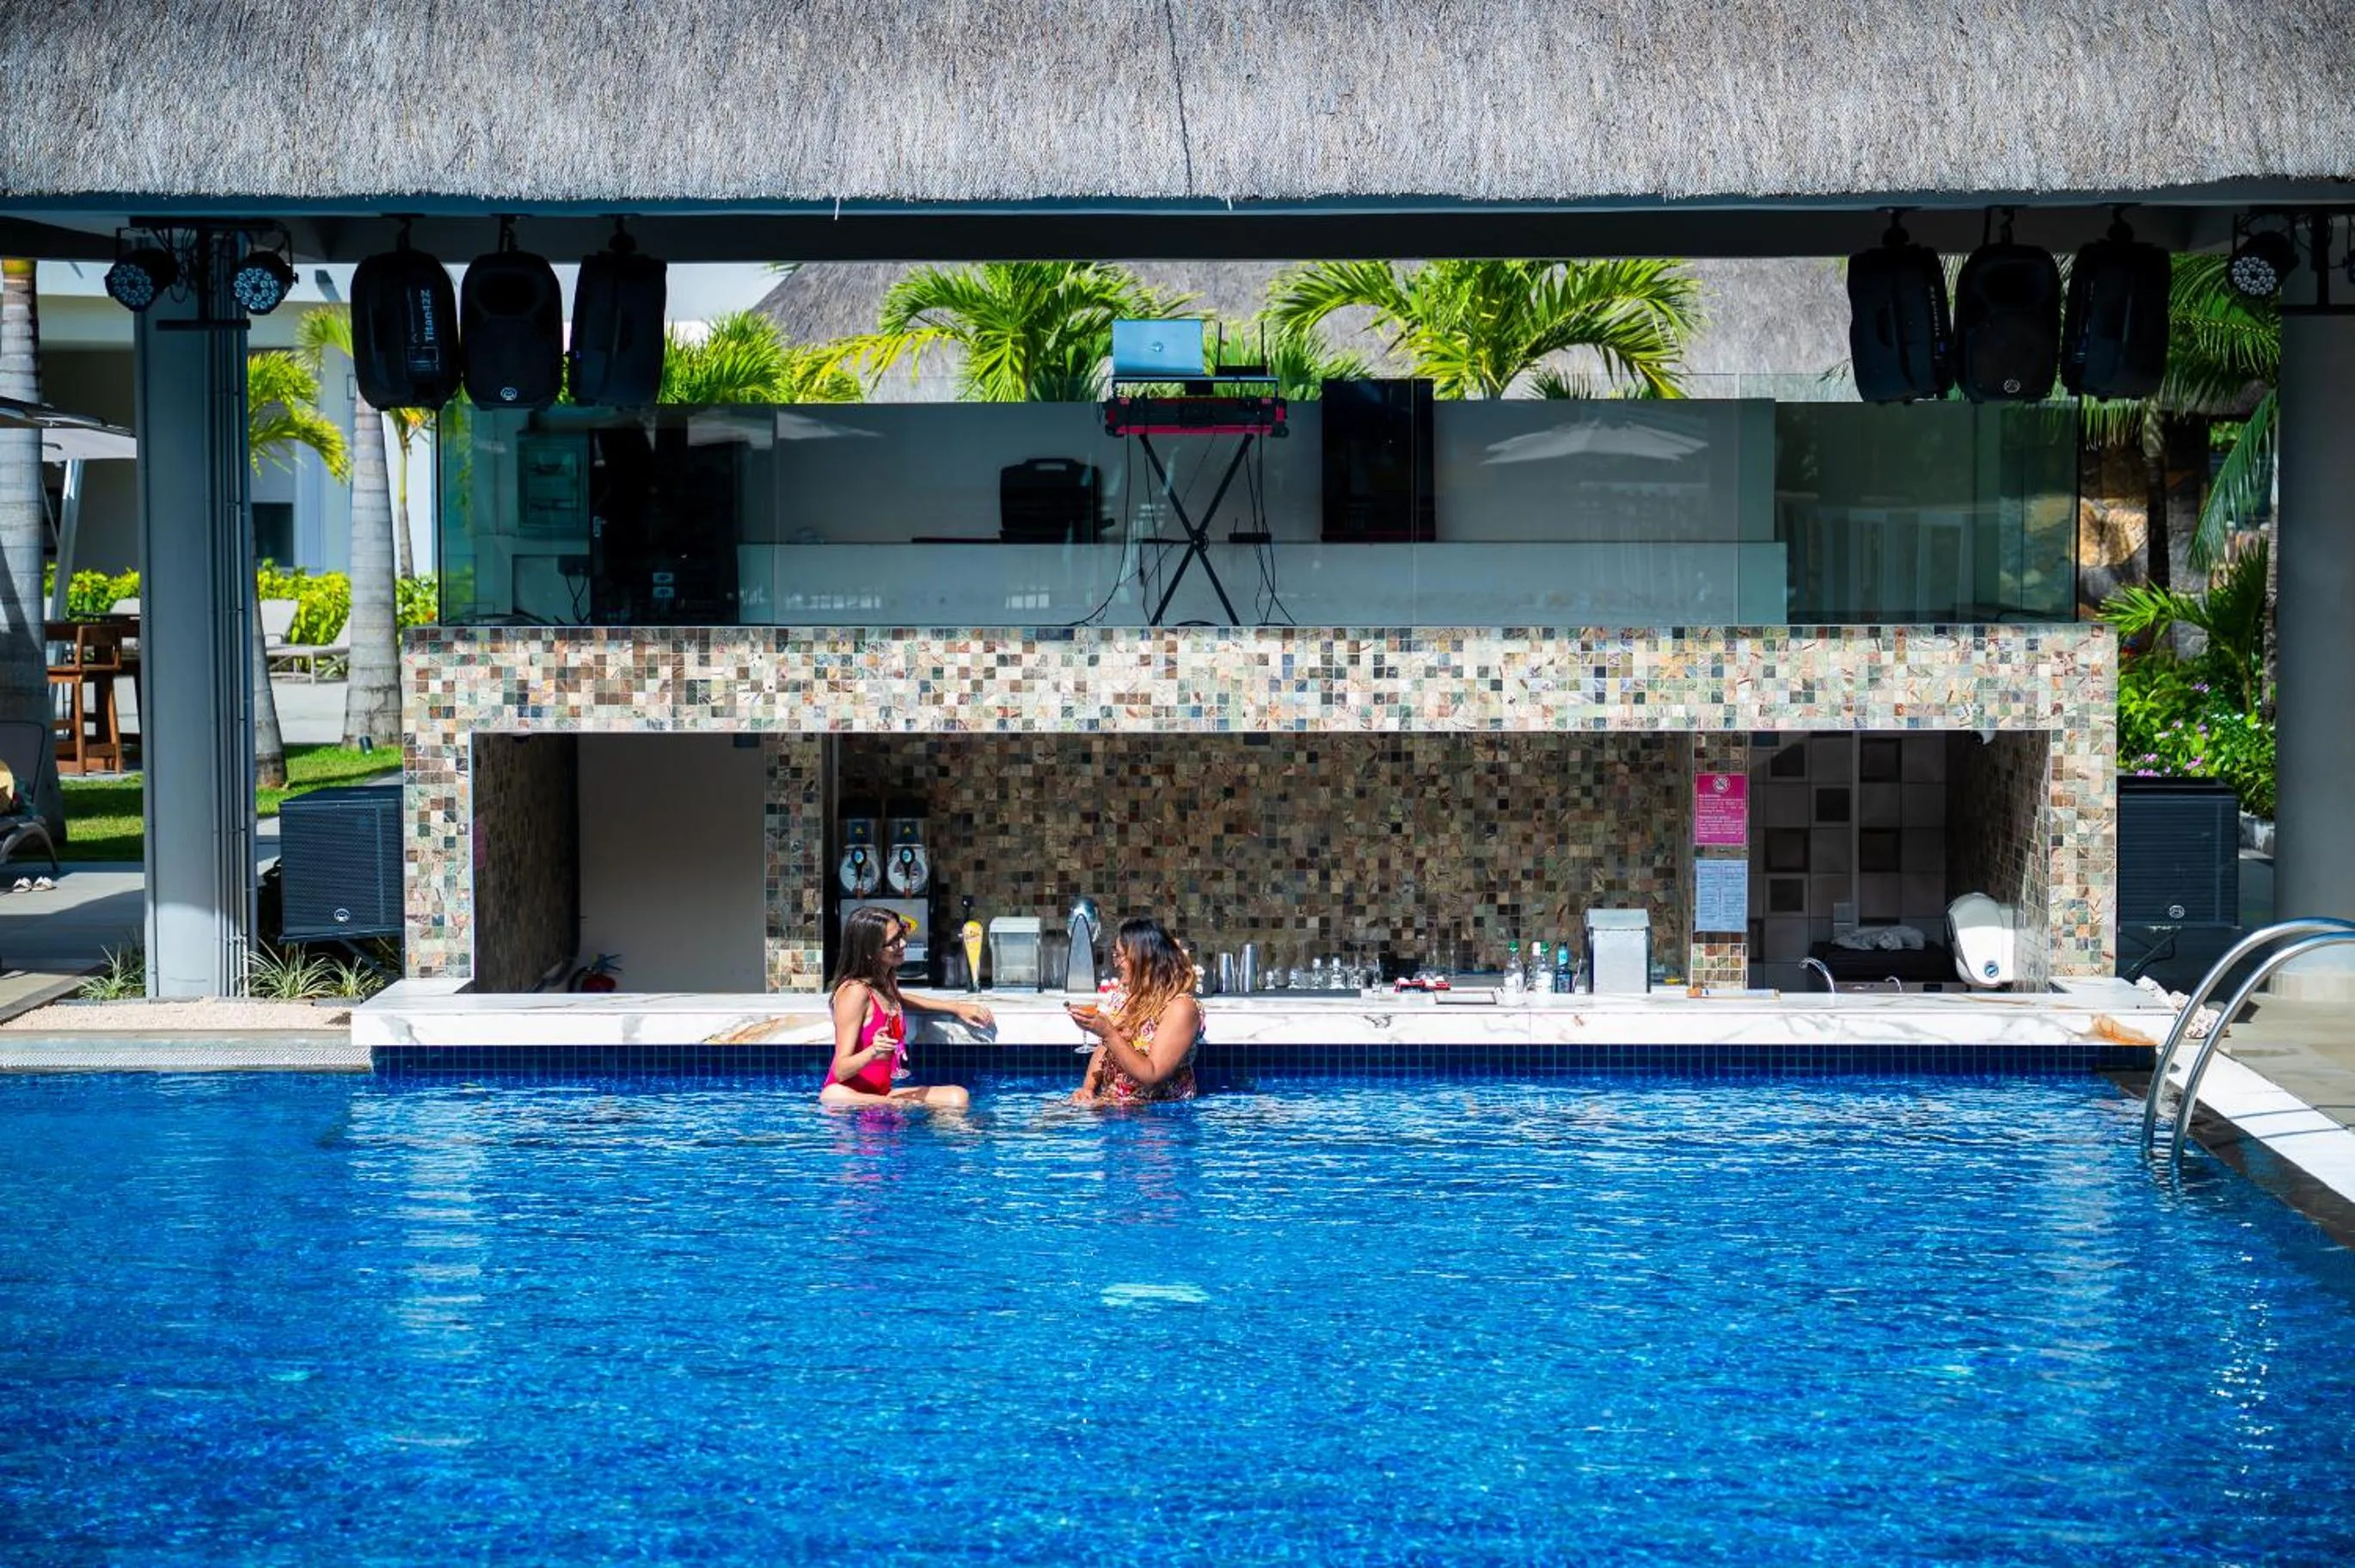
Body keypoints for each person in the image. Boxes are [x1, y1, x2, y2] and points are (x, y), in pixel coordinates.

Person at [820, 906, 990, 1112]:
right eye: (893, 942)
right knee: (833, 1095)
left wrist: (956, 1007)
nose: (902, 944)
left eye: (901, 935)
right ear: (869, 952)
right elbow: (840, 1070)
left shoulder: (885, 979)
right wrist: (873, 1051)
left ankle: (904, 1114)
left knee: (957, 1097)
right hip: (851, 1097)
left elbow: (900, 1000)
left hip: (881, 1094)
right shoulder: (854, 992)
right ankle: (895, 1107)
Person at [1067, 916, 1204, 1105]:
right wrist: (1088, 1089)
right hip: (1115, 1106)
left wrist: (1108, 1032)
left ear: (1144, 959)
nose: (1115, 963)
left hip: (1160, 1118)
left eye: (1120, 956)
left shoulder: (1180, 1008)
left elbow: (1153, 1074)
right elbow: (1105, 1049)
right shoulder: (1126, 995)